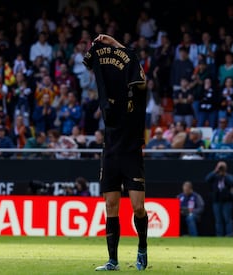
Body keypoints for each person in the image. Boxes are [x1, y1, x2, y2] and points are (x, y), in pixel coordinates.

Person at [83, 34, 148, 271]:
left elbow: (140, 75)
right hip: (110, 152)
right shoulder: (107, 97)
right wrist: (104, 48)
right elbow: (95, 67)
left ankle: (142, 248)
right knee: (111, 206)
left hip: (131, 153)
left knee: (138, 207)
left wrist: (115, 44)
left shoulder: (137, 94)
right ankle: (113, 260)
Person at [205, 161, 233, 236]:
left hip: (227, 201)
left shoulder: (229, 176)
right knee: (218, 221)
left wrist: (224, 174)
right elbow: (207, 179)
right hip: (216, 201)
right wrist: (215, 171)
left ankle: (229, 235)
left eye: (222, 167)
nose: (221, 168)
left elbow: (232, 182)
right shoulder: (215, 176)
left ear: (226, 168)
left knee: (228, 220)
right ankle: (219, 236)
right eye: (220, 167)